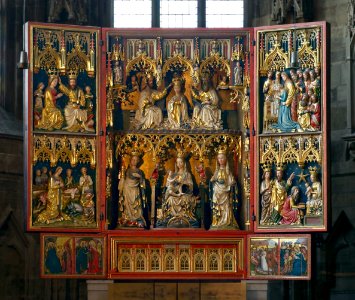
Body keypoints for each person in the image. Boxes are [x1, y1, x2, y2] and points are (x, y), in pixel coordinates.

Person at [159, 150, 198, 228]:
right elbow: (168, 185)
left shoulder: (187, 174)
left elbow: (191, 186)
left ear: (184, 163)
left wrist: (184, 184)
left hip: (185, 193)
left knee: (184, 198)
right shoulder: (174, 174)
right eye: (178, 162)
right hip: (176, 193)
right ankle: (173, 217)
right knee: (170, 199)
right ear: (176, 164)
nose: (179, 164)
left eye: (181, 162)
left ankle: (185, 217)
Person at [209, 147, 238, 229]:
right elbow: (212, 180)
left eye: (222, 158)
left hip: (225, 193)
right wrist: (213, 181)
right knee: (217, 208)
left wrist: (230, 184)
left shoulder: (228, 171)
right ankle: (217, 222)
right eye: (219, 158)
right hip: (217, 193)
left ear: (225, 159)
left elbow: (232, 182)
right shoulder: (217, 171)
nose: (220, 160)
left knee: (226, 207)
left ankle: (226, 222)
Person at [118, 149, 147, 228]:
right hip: (127, 188)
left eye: (136, 160)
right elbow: (126, 177)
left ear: (138, 162)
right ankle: (128, 217)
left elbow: (142, 182)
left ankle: (136, 218)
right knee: (127, 205)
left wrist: (140, 177)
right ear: (130, 160)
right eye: (133, 160)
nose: (134, 161)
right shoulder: (127, 170)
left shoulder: (140, 171)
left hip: (135, 190)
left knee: (136, 204)